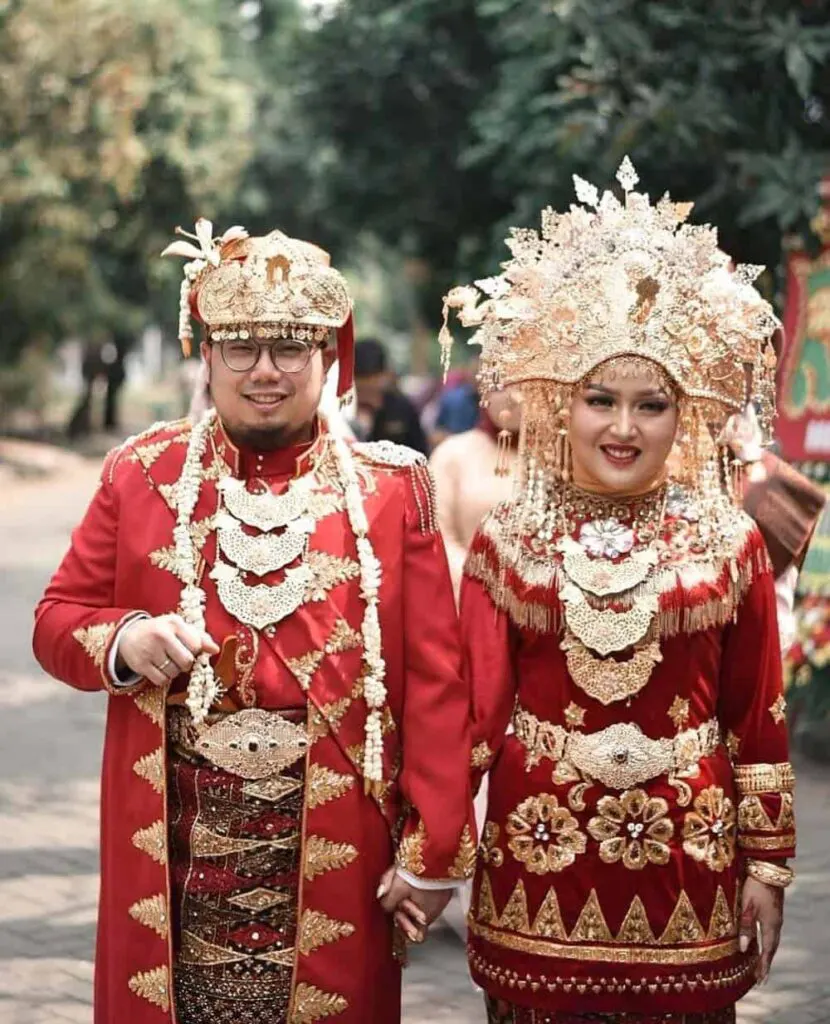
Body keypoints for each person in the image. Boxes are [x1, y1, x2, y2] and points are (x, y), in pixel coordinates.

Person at [32, 221, 475, 1024]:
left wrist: (434, 852)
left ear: (326, 358)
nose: (265, 371)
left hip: (337, 851)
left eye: (290, 348)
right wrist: (127, 639)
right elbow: (56, 619)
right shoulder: (141, 474)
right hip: (172, 846)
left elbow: (438, 685)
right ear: (207, 355)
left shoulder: (391, 487)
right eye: (241, 348)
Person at [441, 160, 795, 1023]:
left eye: (652, 404)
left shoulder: (730, 540)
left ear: (688, 415)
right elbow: (472, 717)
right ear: (563, 404)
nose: (625, 428)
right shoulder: (508, 540)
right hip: (537, 862)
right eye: (602, 399)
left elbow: (757, 714)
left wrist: (770, 865)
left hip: (694, 867)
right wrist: (428, 851)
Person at [429, 388, 521, 601]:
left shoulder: (561, 457)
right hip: (468, 602)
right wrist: (485, 588)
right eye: (499, 386)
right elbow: (439, 538)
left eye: (526, 385)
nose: (514, 397)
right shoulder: (452, 454)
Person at [352, 337, 429, 453]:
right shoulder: (340, 410)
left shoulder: (401, 409)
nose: (368, 387)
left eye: (372, 380)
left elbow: (420, 452)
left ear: (384, 374)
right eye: (362, 383)